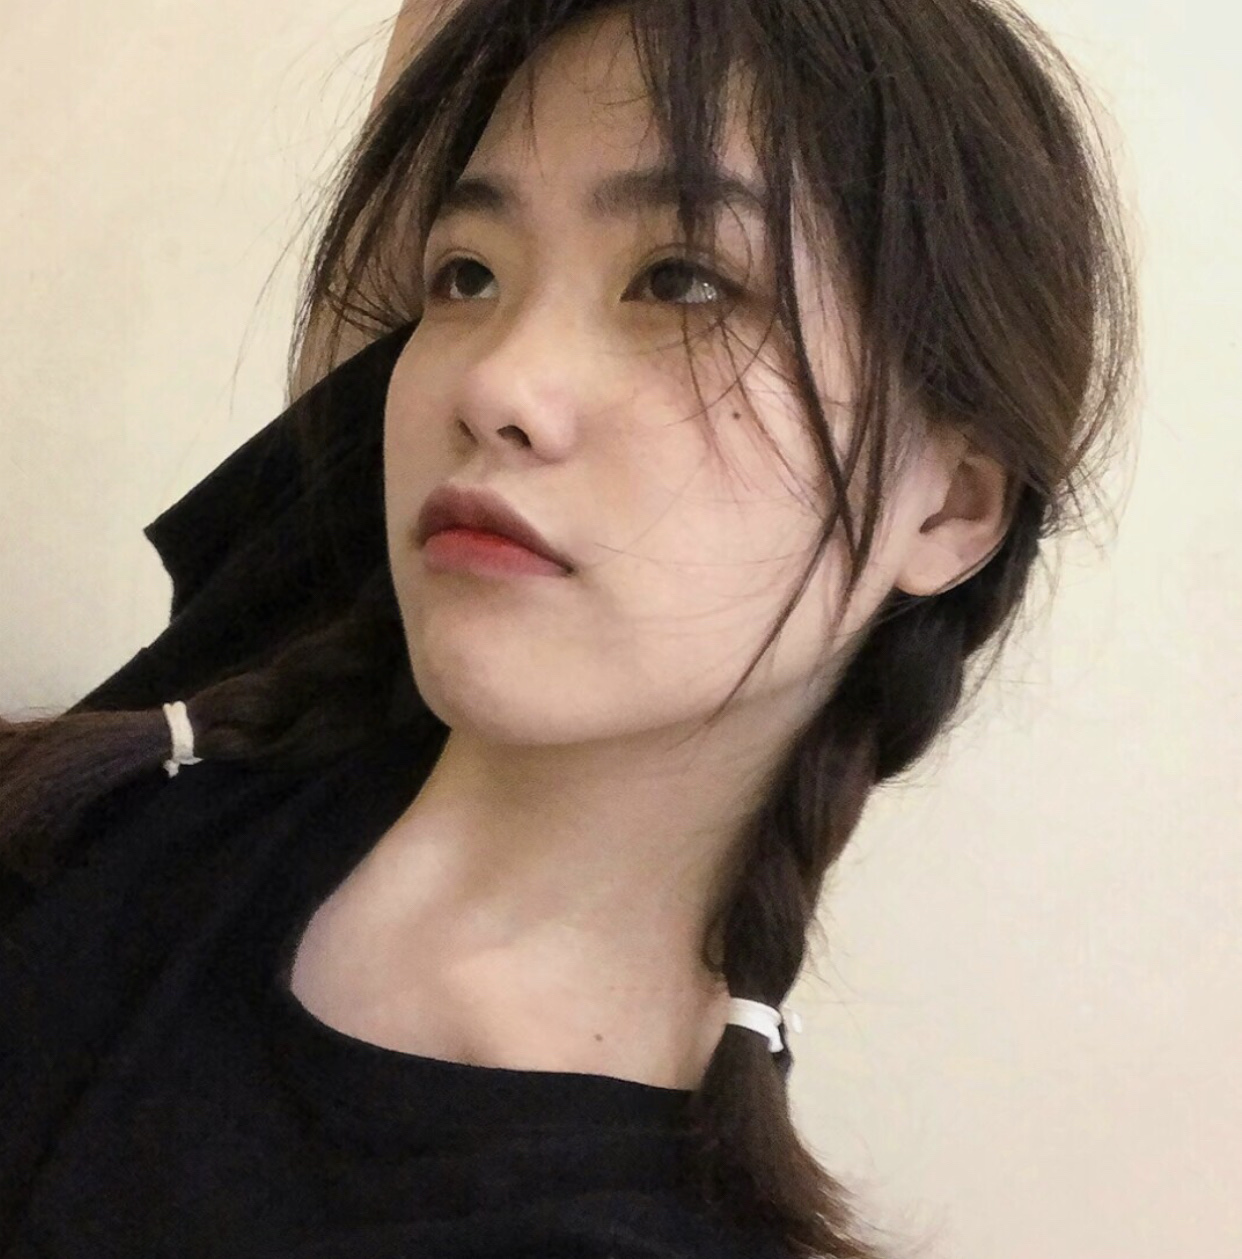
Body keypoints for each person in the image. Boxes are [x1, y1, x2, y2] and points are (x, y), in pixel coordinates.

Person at [0, 0, 1138, 1256]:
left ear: (951, 505)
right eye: (467, 274)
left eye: (684, 281)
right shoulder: (306, 636)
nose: (495, 380)